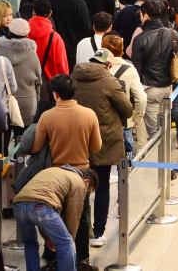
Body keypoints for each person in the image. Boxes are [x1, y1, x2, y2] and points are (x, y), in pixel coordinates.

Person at [71, 52, 132, 249]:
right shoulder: (109, 81)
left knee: (80, 185)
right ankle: (98, 233)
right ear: (107, 65)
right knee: (102, 184)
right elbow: (127, 110)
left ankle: (80, 230)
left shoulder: (74, 76)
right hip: (104, 141)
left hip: (78, 139)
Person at [13, 166, 97, 271]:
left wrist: (48, 237)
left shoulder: (53, 171)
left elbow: (37, 211)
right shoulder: (79, 183)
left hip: (19, 205)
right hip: (42, 206)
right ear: (86, 181)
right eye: (88, 191)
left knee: (30, 244)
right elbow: (73, 216)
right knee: (66, 244)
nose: (86, 194)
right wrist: (70, 239)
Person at [129, 0, 178, 138]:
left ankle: (160, 158)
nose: (140, 18)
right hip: (168, 88)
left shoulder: (140, 38)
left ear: (146, 16)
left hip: (149, 89)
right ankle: (166, 158)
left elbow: (136, 69)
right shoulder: (172, 34)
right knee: (164, 127)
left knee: (154, 133)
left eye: (141, 15)